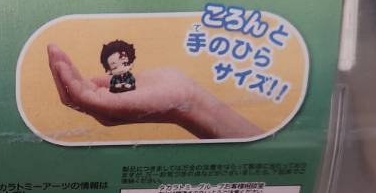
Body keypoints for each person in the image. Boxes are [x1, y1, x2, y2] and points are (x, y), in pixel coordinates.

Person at [48, 45, 260, 140]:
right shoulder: (119, 79)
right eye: (113, 64)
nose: (119, 66)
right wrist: (191, 102)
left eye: (122, 61)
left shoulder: (127, 79)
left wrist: (190, 100)